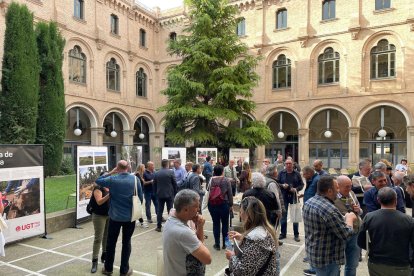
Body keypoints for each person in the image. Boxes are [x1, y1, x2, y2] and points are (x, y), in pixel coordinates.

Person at [95, 160, 143, 276]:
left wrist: (111, 172)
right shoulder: (135, 179)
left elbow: (98, 181)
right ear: (129, 167)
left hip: (115, 217)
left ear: (117, 167)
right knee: (126, 243)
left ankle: (108, 268)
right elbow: (140, 198)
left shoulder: (113, 179)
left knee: (111, 243)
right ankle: (124, 270)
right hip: (129, 217)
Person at [303, 176, 356, 276]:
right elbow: (346, 235)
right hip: (327, 260)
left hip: (314, 254)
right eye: (337, 188)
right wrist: (349, 219)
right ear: (330, 191)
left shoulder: (309, 202)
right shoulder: (330, 210)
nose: (339, 190)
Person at [357, 187, 414, 276]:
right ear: (396, 200)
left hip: (376, 263)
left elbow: (360, 241)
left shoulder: (369, 217)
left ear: (378, 200)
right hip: (400, 265)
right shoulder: (409, 220)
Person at [225, 196, 279, 275]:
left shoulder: (255, 238)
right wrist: (242, 237)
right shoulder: (265, 230)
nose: (240, 215)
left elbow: (243, 271)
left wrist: (231, 257)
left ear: (248, 215)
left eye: (241, 212)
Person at [163, 190, 212, 275]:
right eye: (196, 206)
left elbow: (197, 240)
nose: (199, 209)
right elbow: (207, 259)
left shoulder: (173, 217)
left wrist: (199, 226)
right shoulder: (183, 232)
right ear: (185, 210)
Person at [333, 176, 362, 276]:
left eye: (351, 186)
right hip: (341, 236)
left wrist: (358, 210)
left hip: (355, 234)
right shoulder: (332, 197)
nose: (350, 189)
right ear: (338, 186)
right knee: (336, 265)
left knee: (352, 265)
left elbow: (360, 211)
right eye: (347, 187)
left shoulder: (352, 193)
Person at [277, 158, 304, 242]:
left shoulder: (297, 173)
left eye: (290, 164)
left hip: (294, 196)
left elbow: (302, 184)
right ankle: (283, 233)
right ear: (285, 164)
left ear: (293, 164)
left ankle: (296, 234)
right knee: (284, 216)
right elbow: (277, 183)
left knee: (295, 216)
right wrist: (282, 185)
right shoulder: (281, 173)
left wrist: (296, 189)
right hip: (284, 196)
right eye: (287, 164)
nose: (288, 165)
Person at [207, 164, 233, 251]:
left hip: (213, 204)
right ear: (222, 171)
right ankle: (225, 244)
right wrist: (231, 205)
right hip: (224, 204)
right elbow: (230, 193)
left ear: (214, 171)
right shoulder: (226, 180)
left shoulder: (211, 180)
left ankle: (217, 244)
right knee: (225, 224)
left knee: (216, 223)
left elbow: (208, 191)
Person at [89, 179, 110, 273]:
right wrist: (110, 194)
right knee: (98, 238)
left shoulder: (109, 187)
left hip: (109, 215)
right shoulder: (98, 188)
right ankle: (94, 261)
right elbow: (99, 202)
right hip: (99, 216)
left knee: (106, 236)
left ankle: (104, 255)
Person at [153, 159, 177, 232]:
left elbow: (154, 184)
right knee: (170, 210)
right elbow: (174, 183)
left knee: (160, 211)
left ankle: (159, 226)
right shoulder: (171, 172)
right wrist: (175, 193)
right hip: (169, 194)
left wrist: (155, 193)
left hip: (160, 194)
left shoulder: (156, 173)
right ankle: (171, 226)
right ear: (167, 164)